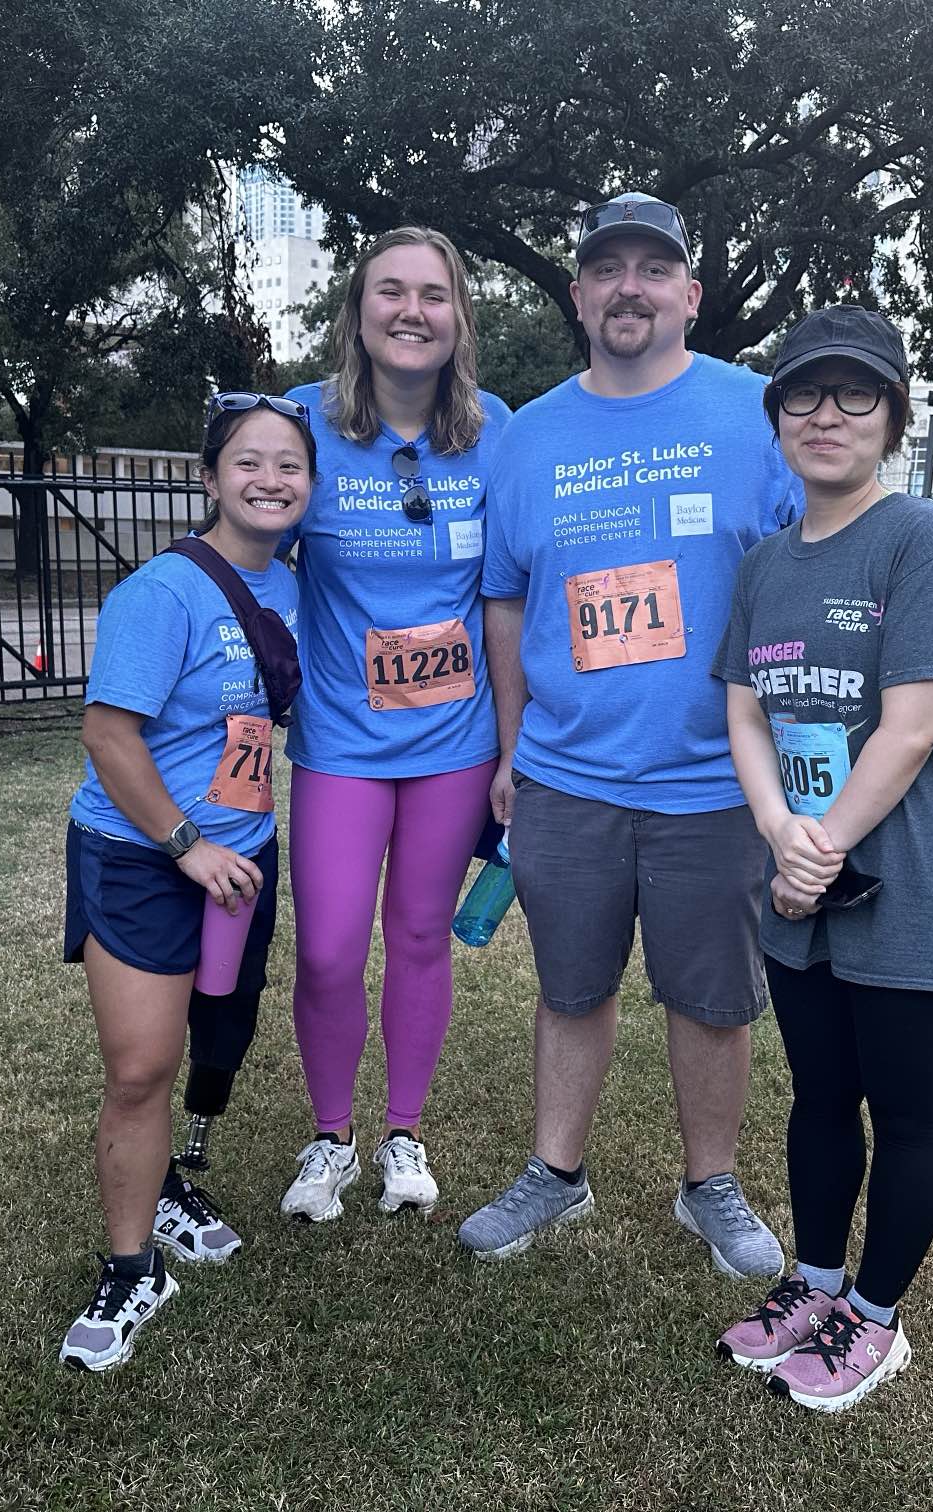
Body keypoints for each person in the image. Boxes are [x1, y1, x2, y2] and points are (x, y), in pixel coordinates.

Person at [460, 192, 801, 1276]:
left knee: (712, 998)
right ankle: (555, 1175)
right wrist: (513, 746)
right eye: (607, 268)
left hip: (717, 778)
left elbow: (817, 559)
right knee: (570, 987)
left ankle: (712, 1188)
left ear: (691, 295)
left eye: (654, 268)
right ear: (578, 295)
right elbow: (506, 600)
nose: (630, 287)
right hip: (568, 775)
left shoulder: (763, 415)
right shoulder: (531, 437)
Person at [710, 305, 933, 1412]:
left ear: (892, 418)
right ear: (777, 417)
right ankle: (815, 1285)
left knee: (905, 1109)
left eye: (856, 396)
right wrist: (784, 833)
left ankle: (874, 1322)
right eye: (804, 395)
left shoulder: (925, 539)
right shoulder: (766, 563)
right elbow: (745, 715)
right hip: (801, 882)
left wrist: (816, 843)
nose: (826, 415)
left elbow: (914, 724)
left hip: (918, 885)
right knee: (820, 1096)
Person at [56, 393, 310, 1373]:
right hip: (144, 855)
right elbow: (108, 736)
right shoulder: (159, 595)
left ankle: (165, 1183)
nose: (270, 480)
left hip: (242, 860)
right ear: (211, 479)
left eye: (289, 465)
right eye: (248, 462)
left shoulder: (292, 586)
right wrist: (185, 844)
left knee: (219, 1035)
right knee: (139, 1066)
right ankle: (130, 1269)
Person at [274, 228, 512, 1223]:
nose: (411, 311)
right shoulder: (299, 423)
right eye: (390, 292)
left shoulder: (498, 429)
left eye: (434, 294)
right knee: (329, 948)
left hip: (457, 744)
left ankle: (404, 1134)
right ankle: (331, 1136)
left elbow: (520, 583)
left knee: (419, 936)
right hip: (340, 742)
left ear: (459, 317)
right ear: (357, 313)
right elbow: (246, 543)